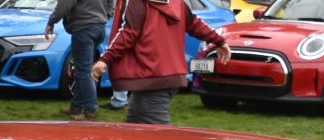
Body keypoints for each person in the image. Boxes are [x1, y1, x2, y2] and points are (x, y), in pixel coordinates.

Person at [91, 0, 230, 126]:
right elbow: (194, 23)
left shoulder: (138, 2)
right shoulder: (177, 2)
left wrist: (105, 59)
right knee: (135, 123)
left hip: (151, 74)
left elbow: (128, 34)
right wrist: (219, 41)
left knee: (161, 135)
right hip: (166, 73)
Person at [47, 0, 110, 120]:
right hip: (99, 27)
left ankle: (90, 109)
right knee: (83, 70)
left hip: (84, 28)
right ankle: (76, 106)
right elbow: (110, 3)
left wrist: (51, 21)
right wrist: (105, 15)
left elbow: (65, 4)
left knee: (83, 72)